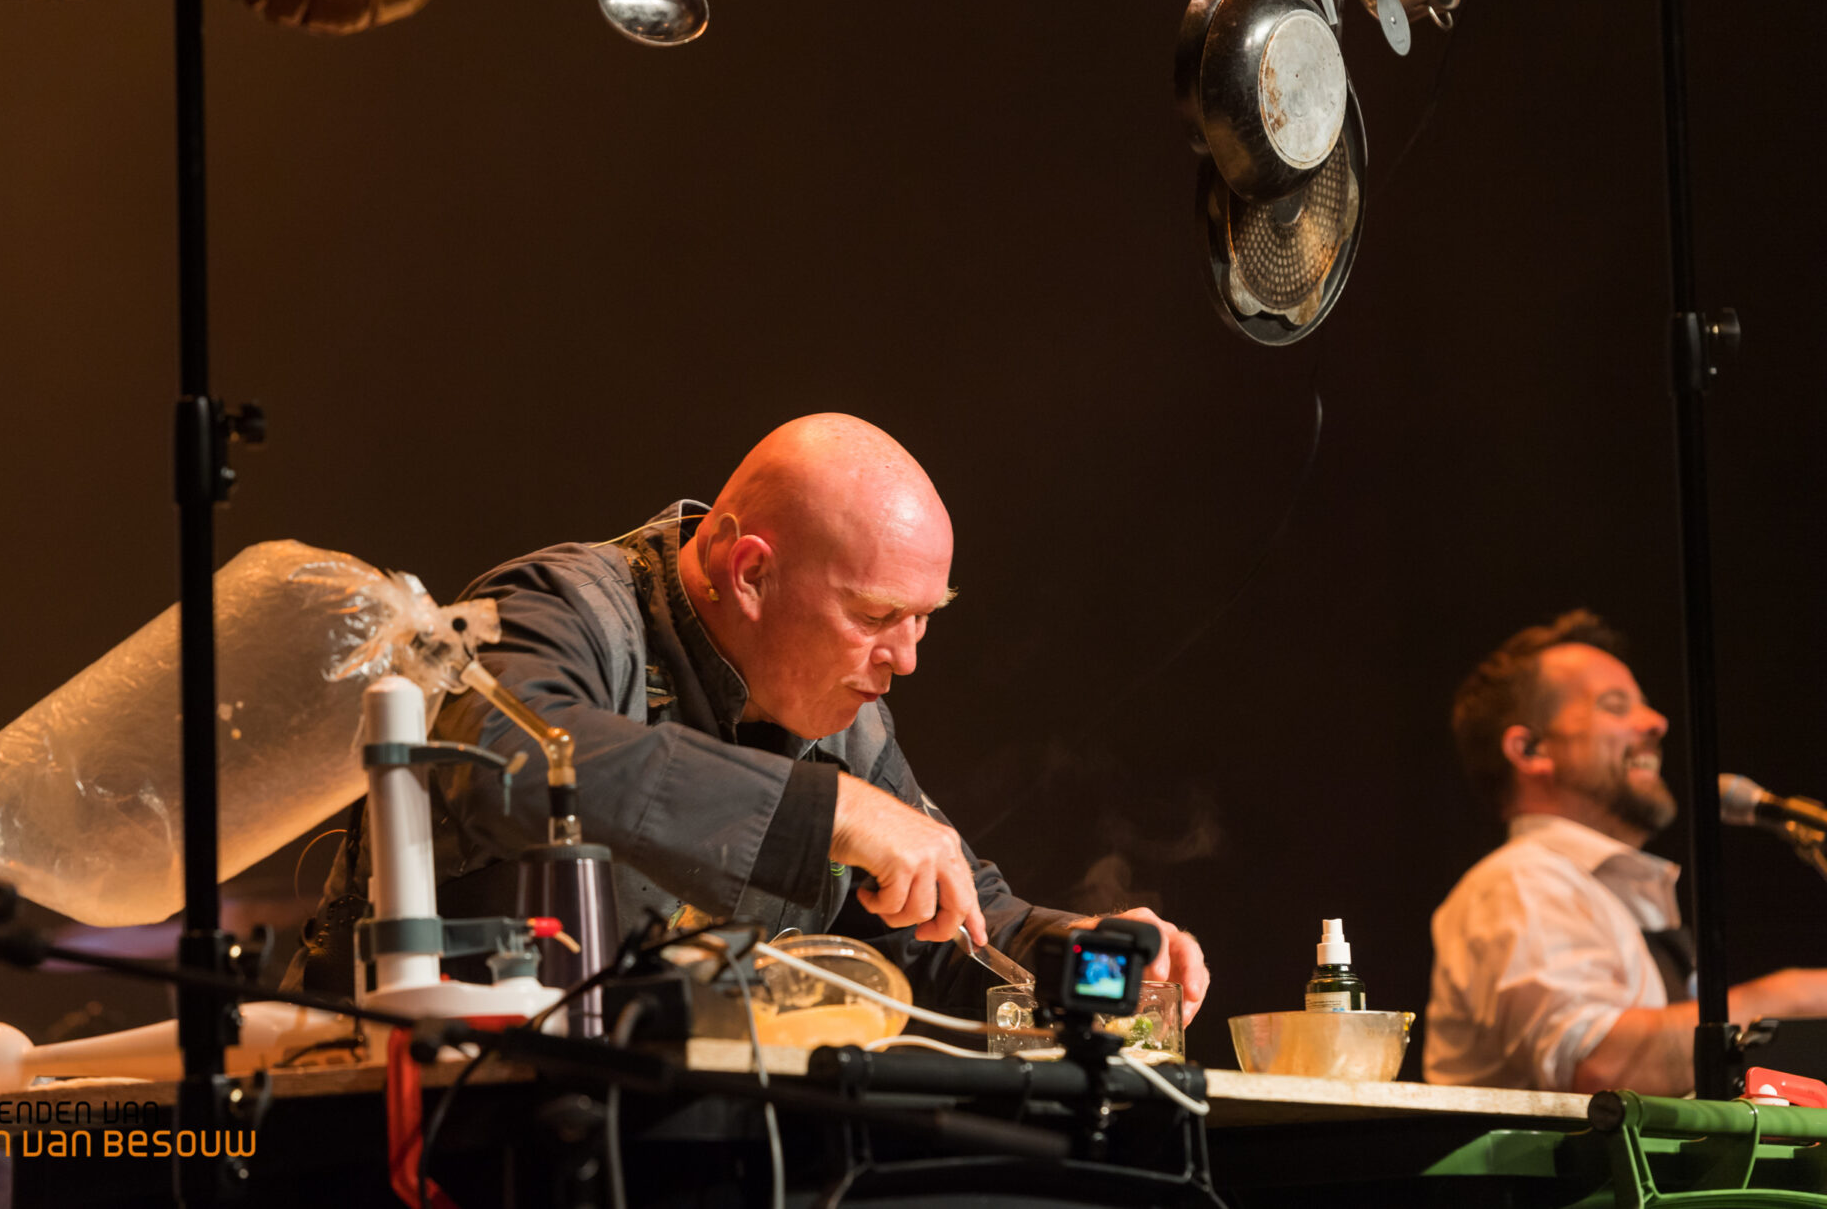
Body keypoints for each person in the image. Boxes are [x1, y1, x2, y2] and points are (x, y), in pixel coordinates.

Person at [289, 414, 1209, 1020]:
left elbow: (952, 928)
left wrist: (1079, 958)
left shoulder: (839, 716)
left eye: (926, 619)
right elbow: (502, 753)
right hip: (402, 1131)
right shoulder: (565, 606)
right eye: (878, 614)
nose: (907, 658)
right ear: (751, 572)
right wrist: (838, 813)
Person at [1425, 610, 1827, 1093]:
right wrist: (1796, 997)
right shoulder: (1520, 882)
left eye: (1645, 706)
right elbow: (1600, 1066)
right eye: (1615, 707)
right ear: (1530, 750)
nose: (1657, 722)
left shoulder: (1600, 891)